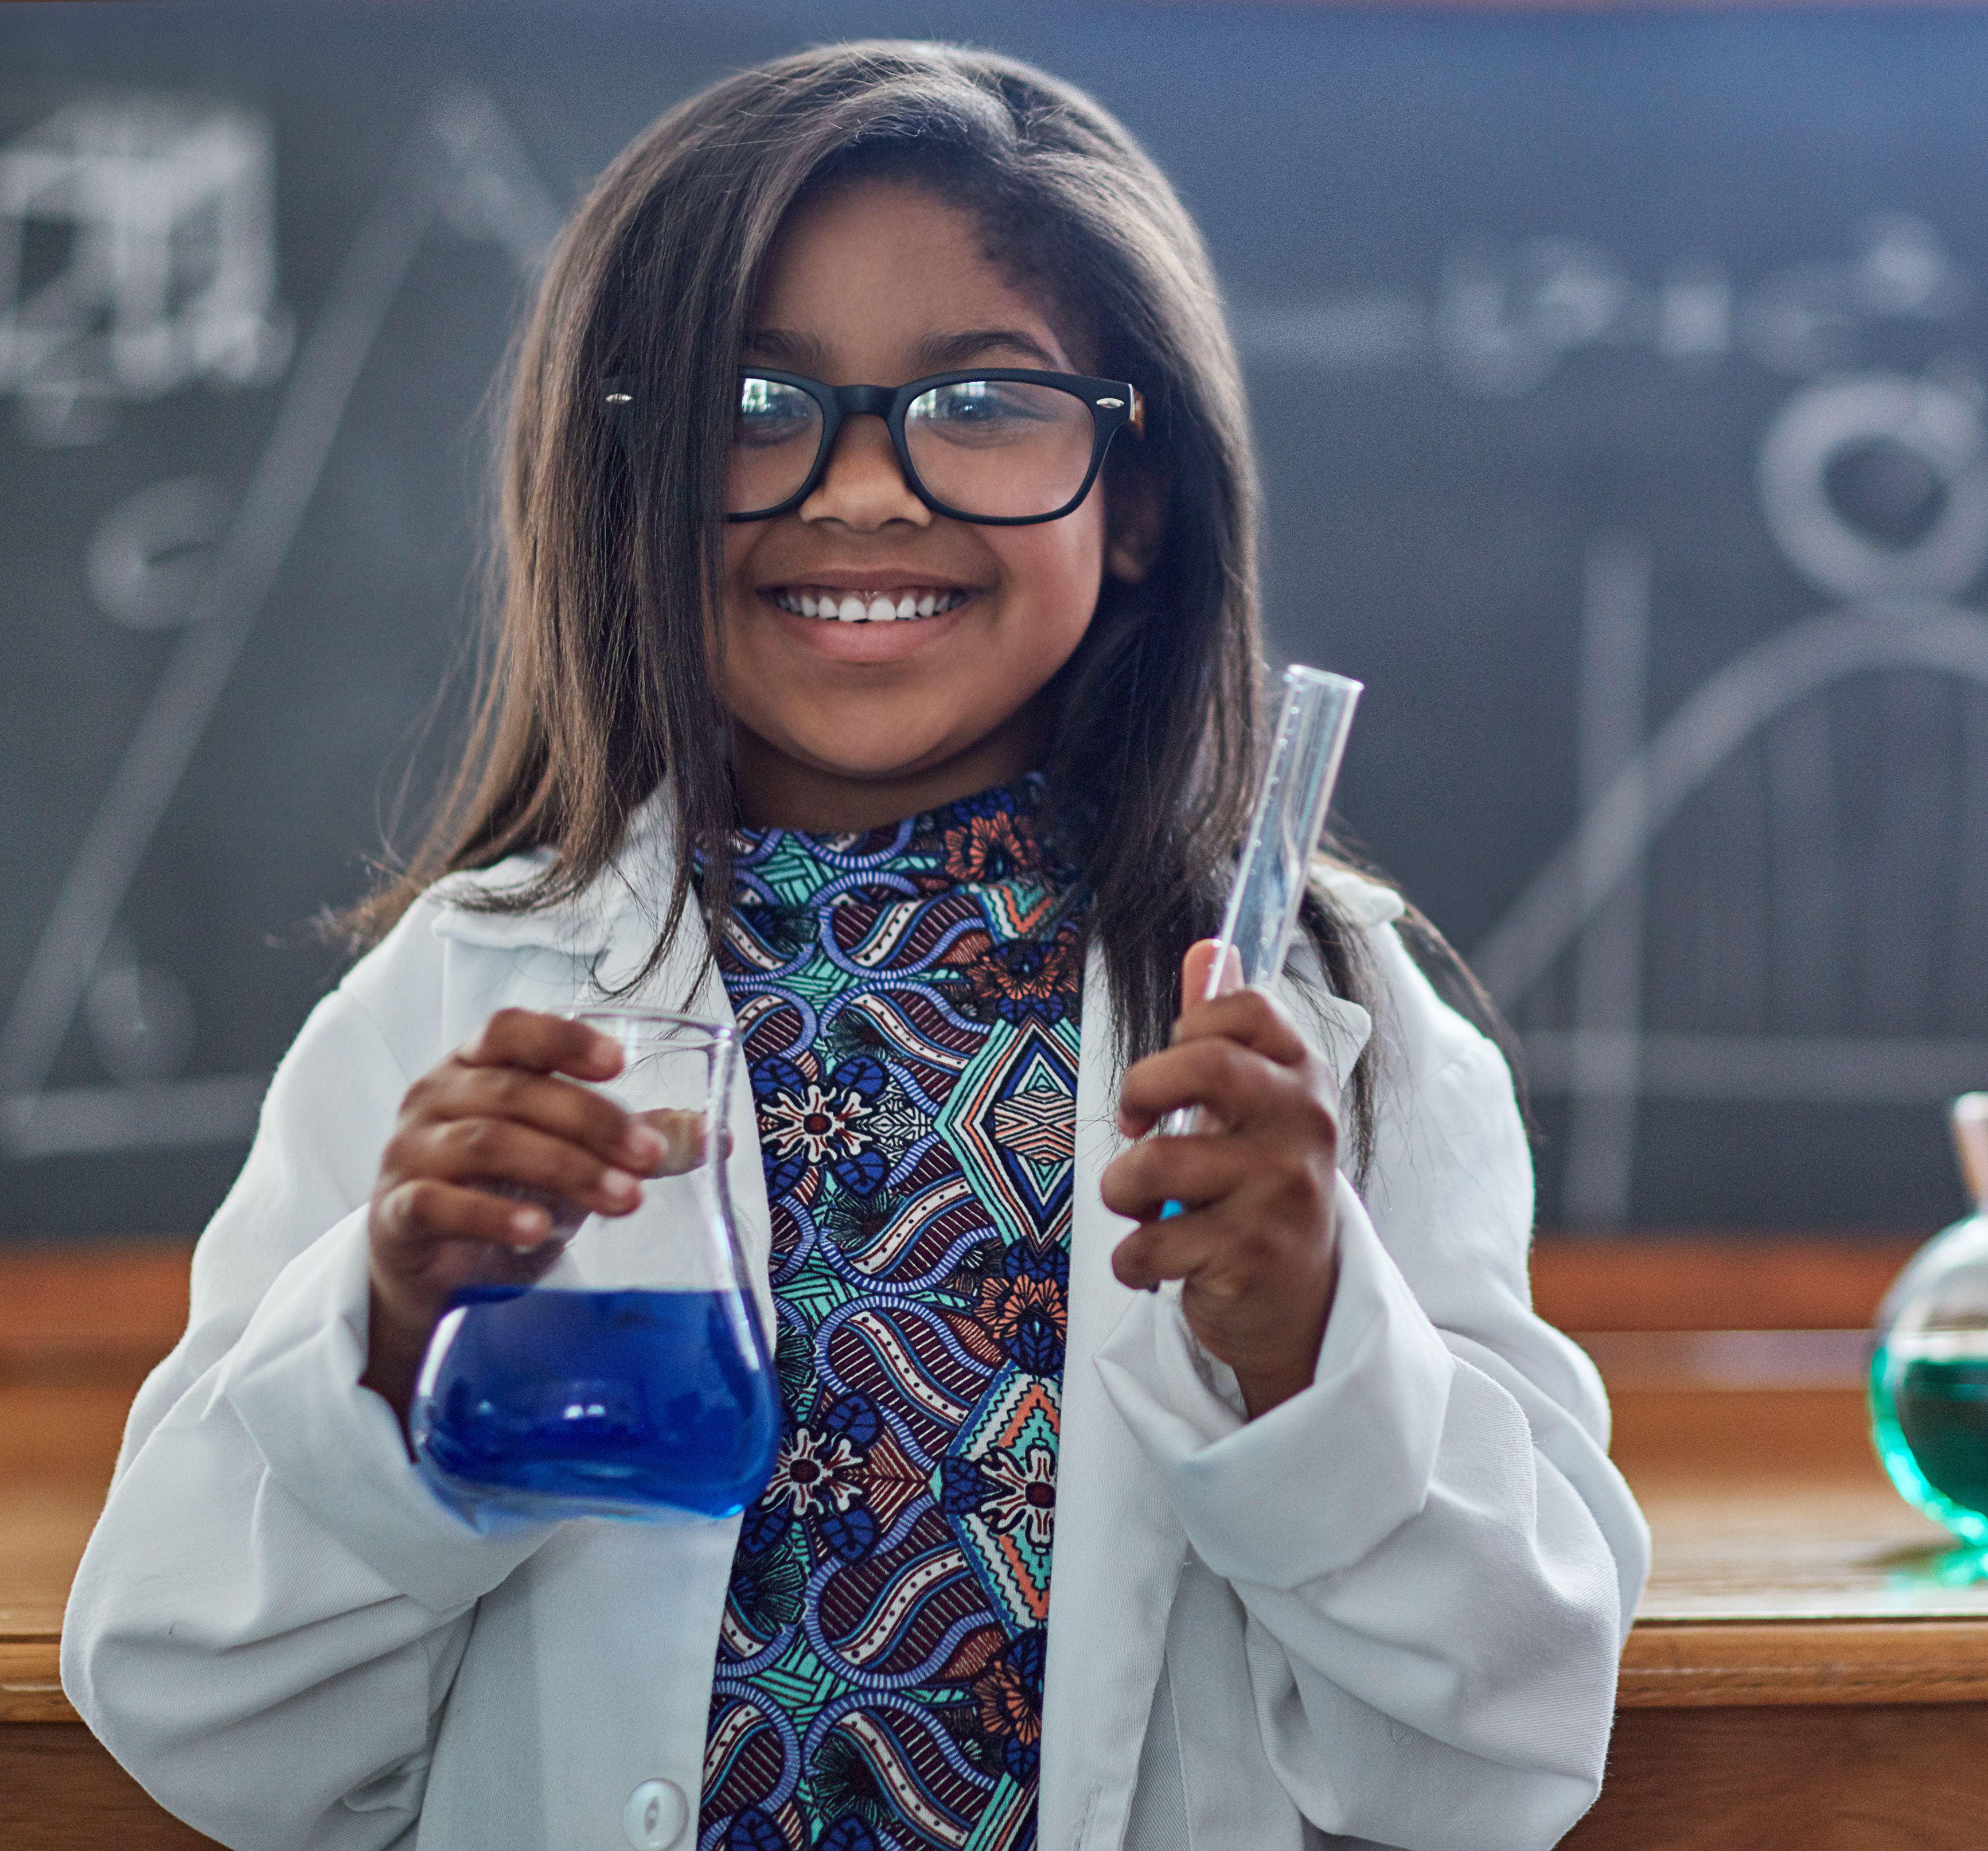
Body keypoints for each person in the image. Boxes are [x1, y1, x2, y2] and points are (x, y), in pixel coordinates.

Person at [62, 40, 1645, 1851]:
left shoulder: (1326, 1023)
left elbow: (1494, 1766)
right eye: (752, 402)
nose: (868, 490)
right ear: (626, 478)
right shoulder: (458, 1001)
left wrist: (1314, 1358)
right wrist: (386, 1348)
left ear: (1135, 499)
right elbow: (193, 1713)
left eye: (982, 399)